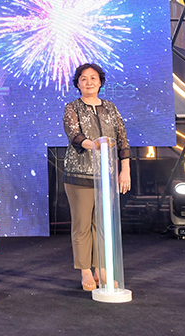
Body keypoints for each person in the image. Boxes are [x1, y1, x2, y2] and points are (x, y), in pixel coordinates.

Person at [62, 63, 130, 291]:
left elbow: (122, 139)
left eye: (93, 78)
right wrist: (94, 145)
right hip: (79, 174)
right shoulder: (72, 107)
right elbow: (74, 134)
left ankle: (102, 270)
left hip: (106, 176)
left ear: (100, 82)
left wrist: (125, 169)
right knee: (82, 225)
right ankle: (85, 272)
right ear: (77, 84)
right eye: (83, 78)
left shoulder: (110, 107)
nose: (89, 82)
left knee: (102, 226)